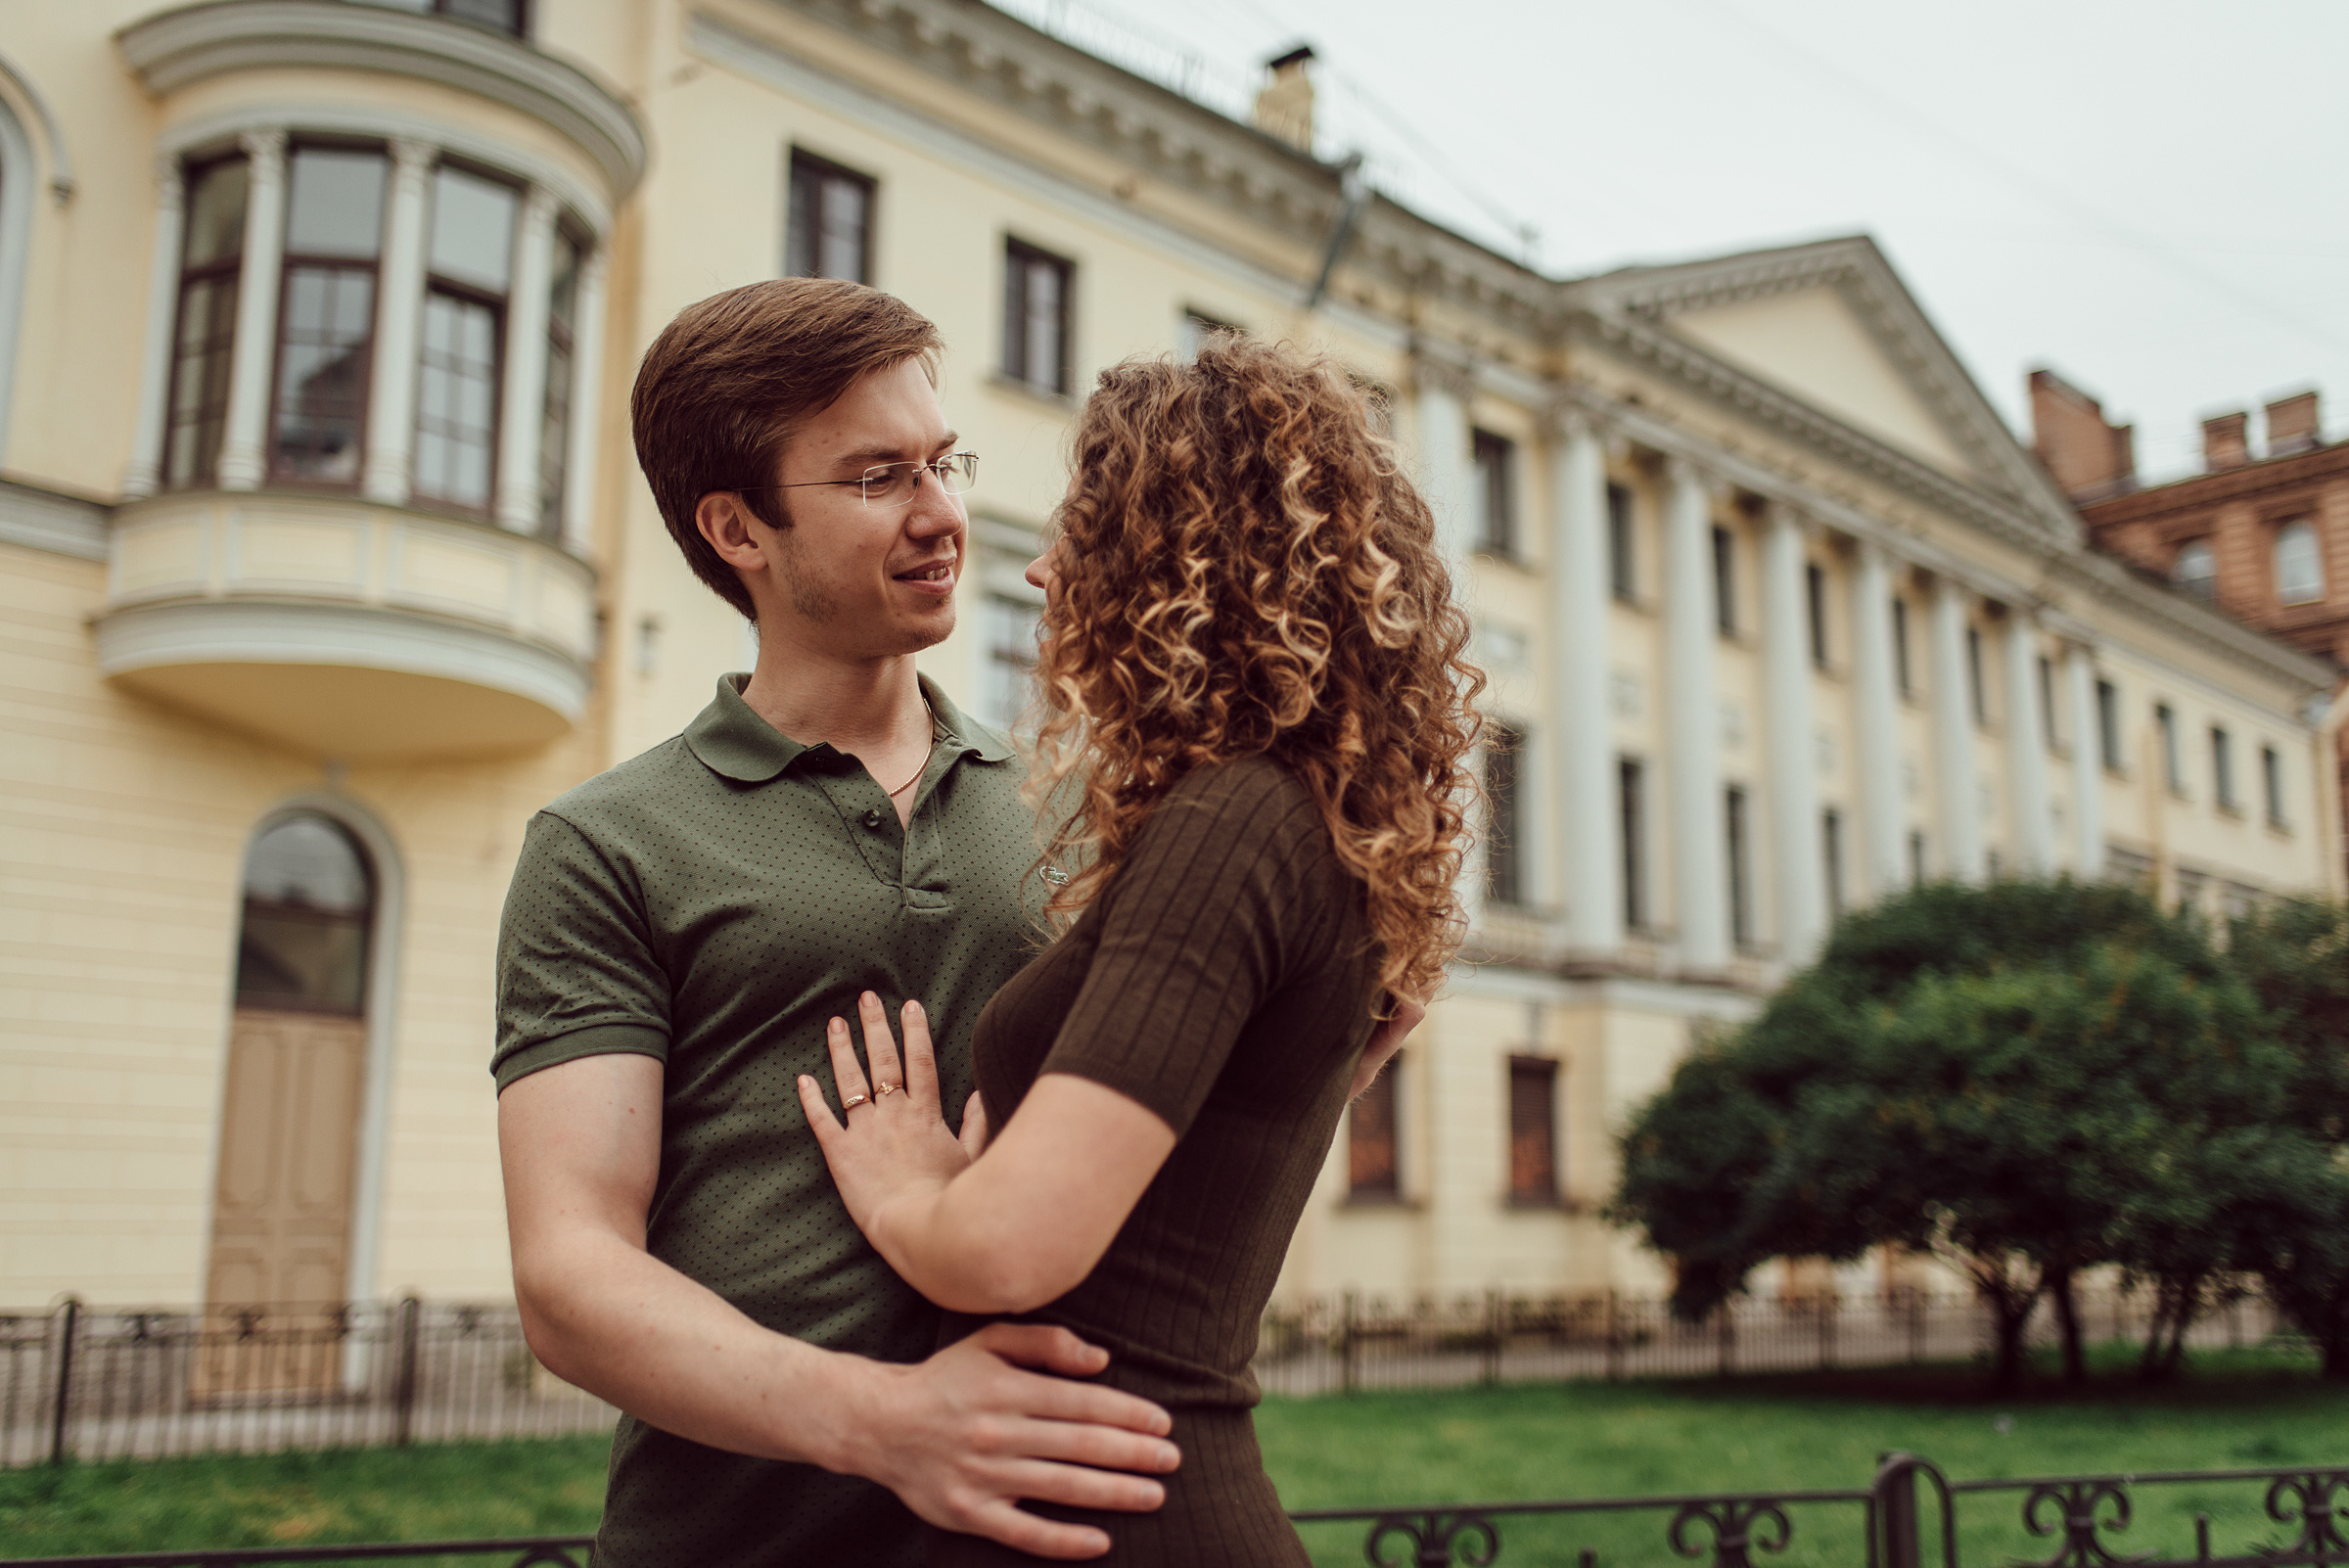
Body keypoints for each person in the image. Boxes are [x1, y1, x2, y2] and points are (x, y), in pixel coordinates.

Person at [492, 279, 1186, 1567]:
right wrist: (893, 1422)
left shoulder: (1087, 810)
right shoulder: (604, 844)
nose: (944, 517)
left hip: (1049, 1539)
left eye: (944, 462)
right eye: (878, 479)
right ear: (737, 527)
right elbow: (569, 1279)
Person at [797, 335, 1483, 1565]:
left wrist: (911, 1190)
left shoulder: (1235, 824)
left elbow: (1015, 1248)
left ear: (1186, 565)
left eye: (1088, 532)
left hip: (1130, 1511)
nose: (1049, 573)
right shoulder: (1293, 821)